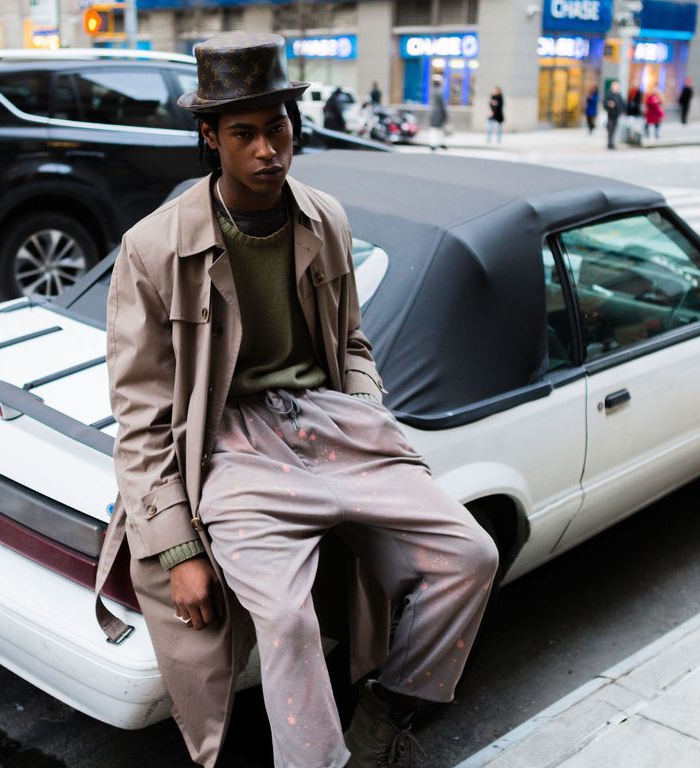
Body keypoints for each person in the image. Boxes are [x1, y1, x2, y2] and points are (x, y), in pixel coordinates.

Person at [96, 31, 499, 768]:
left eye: (277, 128)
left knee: (470, 553)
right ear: (209, 138)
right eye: (243, 134)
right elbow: (143, 419)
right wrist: (178, 546)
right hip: (228, 447)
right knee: (286, 620)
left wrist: (370, 414)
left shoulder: (324, 219)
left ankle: (384, 717)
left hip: (331, 424)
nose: (266, 151)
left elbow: (350, 343)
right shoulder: (153, 250)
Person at [428, 75, 448, 151]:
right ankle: (434, 144)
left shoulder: (432, 91)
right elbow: (442, 105)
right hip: (438, 114)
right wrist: (445, 115)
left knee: (437, 129)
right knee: (436, 129)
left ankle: (439, 143)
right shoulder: (438, 92)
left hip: (434, 114)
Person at [604, 80, 624, 150]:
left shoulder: (618, 94)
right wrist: (609, 104)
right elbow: (605, 103)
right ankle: (610, 143)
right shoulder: (609, 94)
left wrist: (622, 111)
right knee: (610, 129)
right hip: (610, 114)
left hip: (616, 115)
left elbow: (622, 103)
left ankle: (611, 142)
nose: (616, 87)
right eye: (615, 86)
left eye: (617, 86)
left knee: (614, 129)